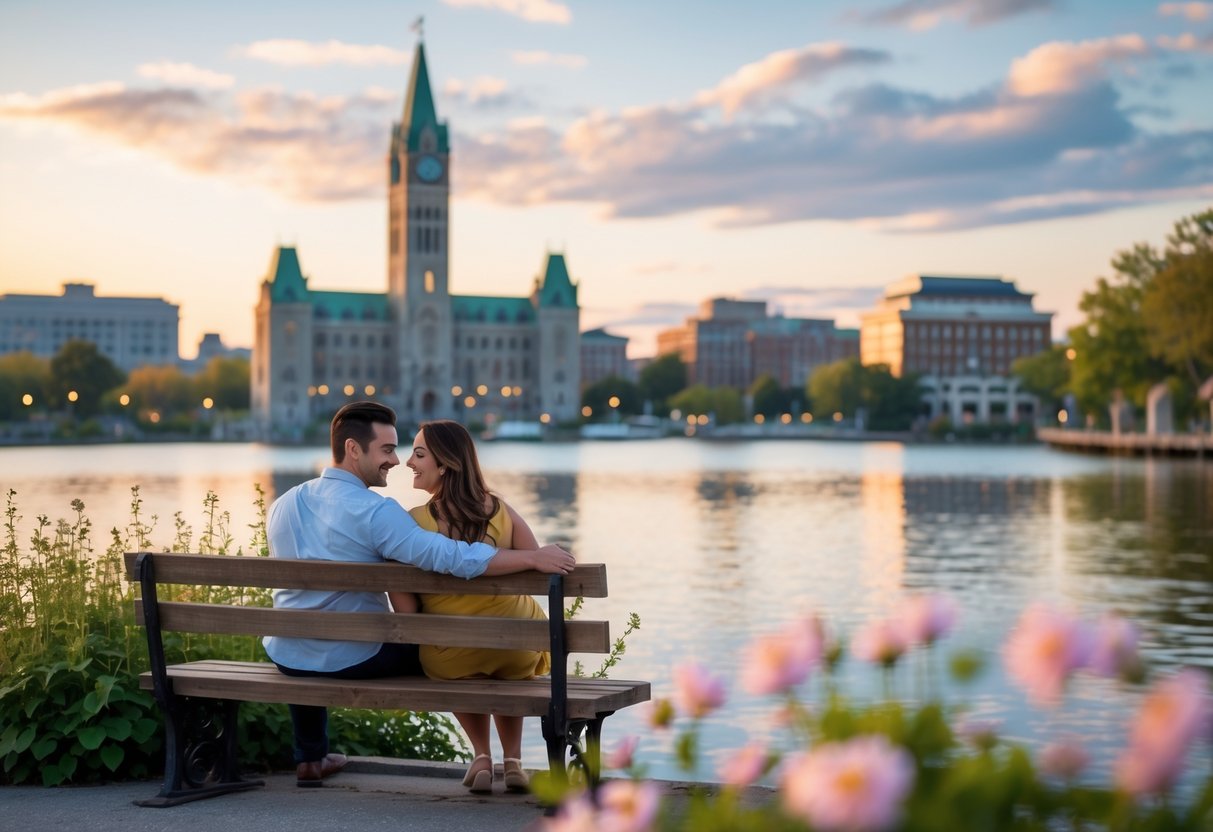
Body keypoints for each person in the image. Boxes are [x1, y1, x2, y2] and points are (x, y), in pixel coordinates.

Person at [262, 401, 574, 788]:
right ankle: (505, 757)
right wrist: (529, 556)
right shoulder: (376, 512)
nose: (396, 461)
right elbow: (447, 554)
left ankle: (310, 757)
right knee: (445, 640)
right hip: (355, 657)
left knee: (309, 635)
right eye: (387, 450)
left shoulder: (283, 504)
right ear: (353, 450)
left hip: (287, 654)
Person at [387, 419, 552, 794]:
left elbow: (406, 615)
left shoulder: (415, 524)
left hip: (451, 654)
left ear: (445, 464)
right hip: (518, 647)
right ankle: (512, 761)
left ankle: (481, 755)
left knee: (457, 653)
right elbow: (535, 561)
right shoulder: (500, 511)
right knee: (504, 654)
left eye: (418, 453)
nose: (408, 462)